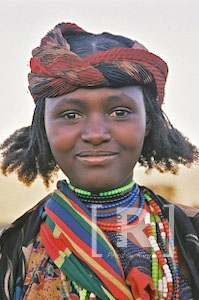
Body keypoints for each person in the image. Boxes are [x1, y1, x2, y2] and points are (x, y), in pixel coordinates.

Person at [0, 22, 199, 300]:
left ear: (149, 123)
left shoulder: (190, 232)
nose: (95, 134)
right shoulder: (12, 247)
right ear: (43, 128)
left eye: (119, 112)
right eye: (70, 115)